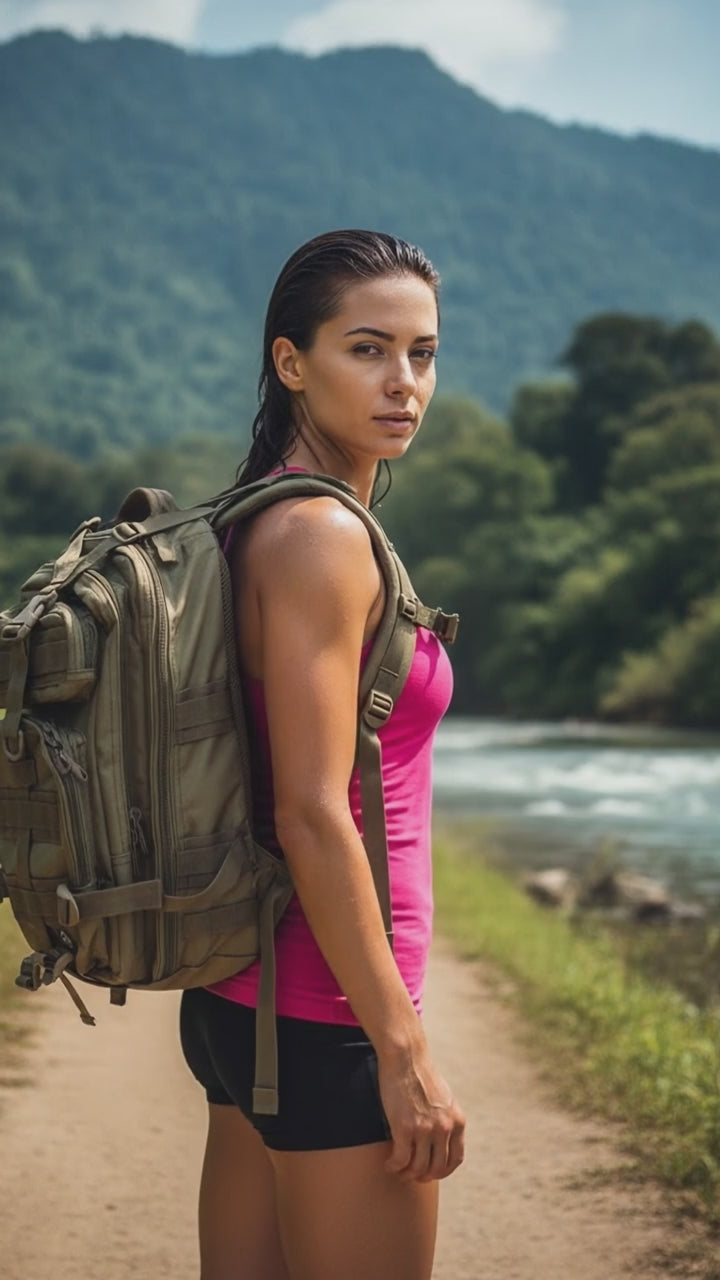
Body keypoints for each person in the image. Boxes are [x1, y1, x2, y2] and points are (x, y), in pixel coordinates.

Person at [179, 229, 466, 1280]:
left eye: (423, 353)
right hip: (325, 1011)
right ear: (291, 360)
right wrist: (403, 1048)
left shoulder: (257, 511)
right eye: (368, 348)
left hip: (244, 1001)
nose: (404, 383)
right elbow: (309, 806)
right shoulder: (321, 537)